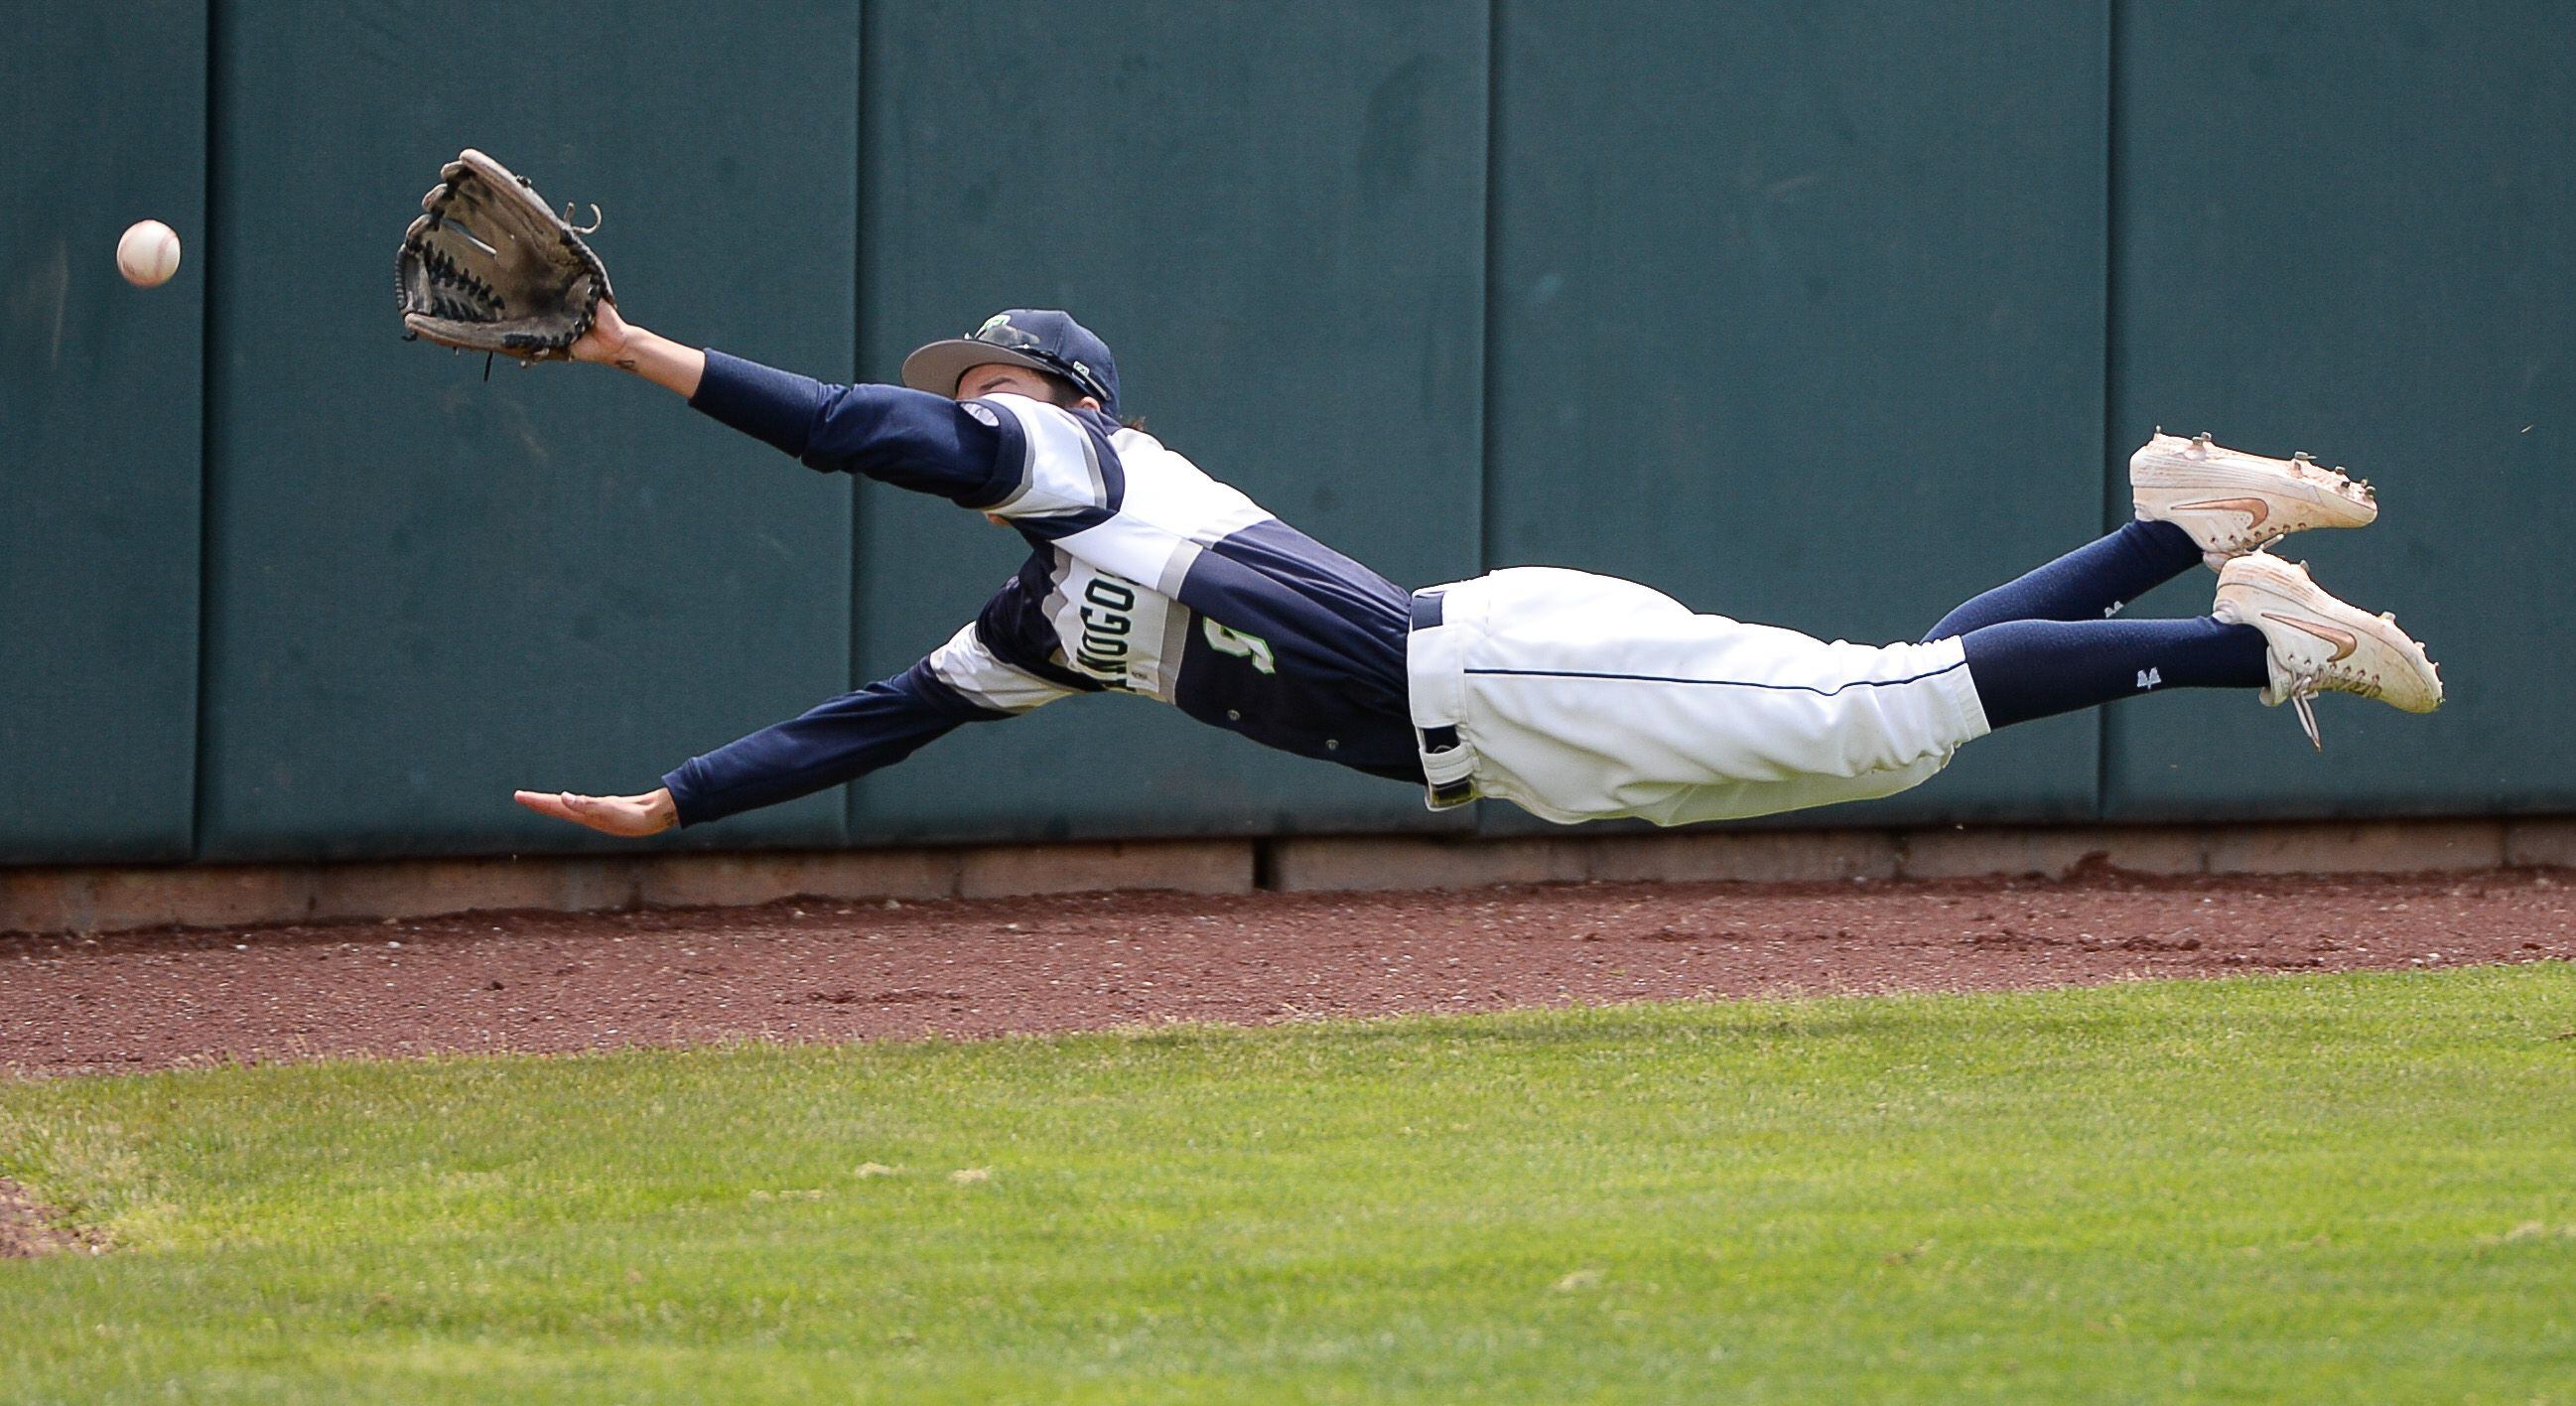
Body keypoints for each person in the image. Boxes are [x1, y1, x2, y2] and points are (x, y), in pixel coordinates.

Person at [511, 304, 2442, 839]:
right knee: (1882, 713)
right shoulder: (1043, 612)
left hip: (1497, 673)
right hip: (1507, 734)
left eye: (998, 371)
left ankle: (2229, 636)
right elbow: (881, 719)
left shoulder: (1078, 461)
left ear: (1067, 392)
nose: (976, 392)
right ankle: (2176, 531)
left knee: (1881, 714)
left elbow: (876, 433)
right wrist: (684, 798)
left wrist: (639, 354)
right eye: (975, 378)